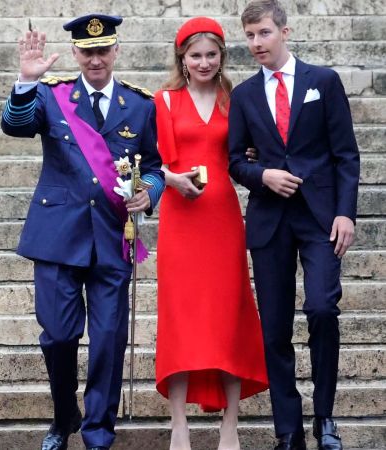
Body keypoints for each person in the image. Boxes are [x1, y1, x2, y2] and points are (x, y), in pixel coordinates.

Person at [2, 14, 165, 450]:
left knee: (109, 339)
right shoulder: (53, 96)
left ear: (117, 51)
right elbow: (15, 126)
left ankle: (98, 432)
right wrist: (25, 80)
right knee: (58, 335)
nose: (96, 59)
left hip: (114, 235)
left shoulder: (140, 105)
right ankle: (63, 415)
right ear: (75, 53)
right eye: (87, 51)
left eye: (103, 50)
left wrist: (149, 192)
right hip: (58, 234)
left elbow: (153, 167)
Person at [228, 1, 360, 449]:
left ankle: (325, 418)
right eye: (249, 36)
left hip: (321, 216)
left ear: (286, 32)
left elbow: (346, 155)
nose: (256, 44)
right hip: (269, 220)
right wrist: (260, 175)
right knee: (275, 328)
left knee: (322, 308)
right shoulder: (244, 95)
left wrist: (346, 212)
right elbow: (233, 160)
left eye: (264, 33)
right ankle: (288, 428)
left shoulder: (322, 81)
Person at [153, 17, 269, 450]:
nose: (203, 62)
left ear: (222, 57)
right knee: (181, 318)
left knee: (227, 317)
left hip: (221, 219)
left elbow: (247, 152)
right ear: (182, 58)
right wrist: (168, 178)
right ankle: (179, 424)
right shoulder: (163, 100)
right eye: (195, 55)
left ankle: (230, 425)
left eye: (211, 54)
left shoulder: (235, 100)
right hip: (181, 221)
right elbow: (148, 160)